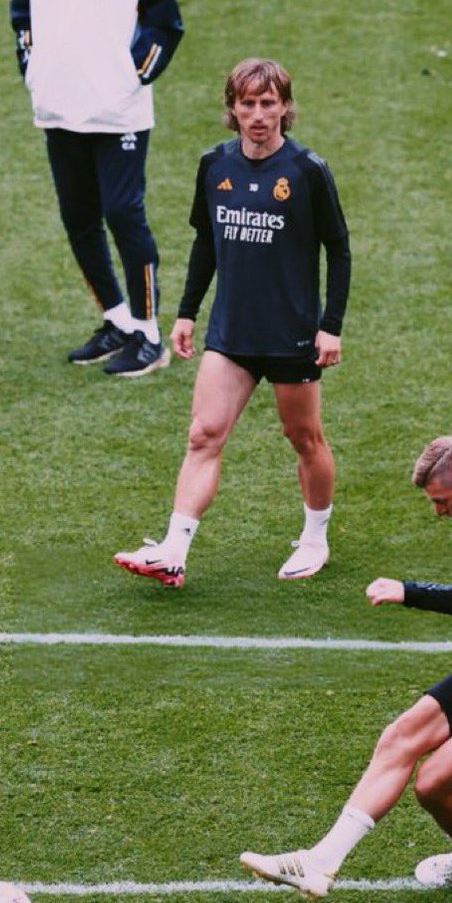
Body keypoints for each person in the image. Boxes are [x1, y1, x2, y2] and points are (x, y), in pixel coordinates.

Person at [241, 435, 452, 894]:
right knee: (400, 737)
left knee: (432, 786)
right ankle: (319, 862)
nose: (439, 512)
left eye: (442, 501)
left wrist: (410, 591)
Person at [113, 57, 351, 584]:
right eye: (248, 104)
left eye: (269, 103)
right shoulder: (214, 166)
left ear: (286, 108)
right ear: (233, 109)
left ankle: (315, 538)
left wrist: (329, 325)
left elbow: (338, 248)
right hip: (232, 334)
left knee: (304, 437)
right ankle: (173, 549)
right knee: (203, 435)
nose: (259, 114)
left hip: (290, 335)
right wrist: (186, 313)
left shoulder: (308, 170)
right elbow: (206, 243)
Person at [10, 0, 184, 376]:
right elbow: (23, 13)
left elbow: (164, 18)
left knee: (123, 214)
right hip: (60, 107)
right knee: (79, 217)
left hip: (117, 110)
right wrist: (36, 73)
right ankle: (117, 320)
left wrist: (132, 77)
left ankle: (150, 333)